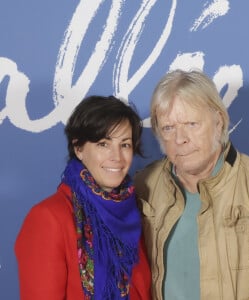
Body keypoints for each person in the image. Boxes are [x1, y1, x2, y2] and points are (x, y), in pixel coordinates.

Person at [134, 69, 249, 300]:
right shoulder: (142, 187)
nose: (180, 138)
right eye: (168, 128)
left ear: (218, 122)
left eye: (191, 124)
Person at [15, 95, 151, 300]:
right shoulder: (48, 218)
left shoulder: (131, 212)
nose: (116, 157)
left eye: (125, 144)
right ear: (78, 148)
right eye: (103, 144)